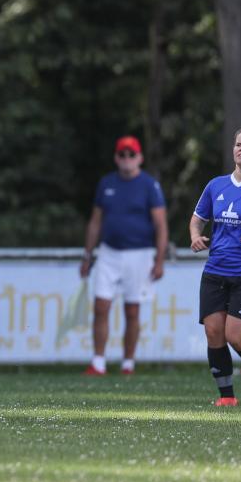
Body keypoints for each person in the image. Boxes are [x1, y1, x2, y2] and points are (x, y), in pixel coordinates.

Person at [80, 136, 168, 376]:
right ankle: (98, 362)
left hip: (139, 254)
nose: (127, 159)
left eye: (131, 155)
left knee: (132, 310)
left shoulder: (150, 185)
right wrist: (87, 255)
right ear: (116, 158)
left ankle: (128, 363)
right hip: (109, 252)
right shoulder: (106, 183)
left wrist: (159, 260)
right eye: (122, 154)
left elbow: (160, 225)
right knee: (101, 306)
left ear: (139, 158)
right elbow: (95, 221)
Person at [190, 127, 241, 406]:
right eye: (237, 144)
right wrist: (196, 237)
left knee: (237, 335)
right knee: (214, 332)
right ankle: (227, 398)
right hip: (215, 270)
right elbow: (197, 219)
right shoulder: (216, 185)